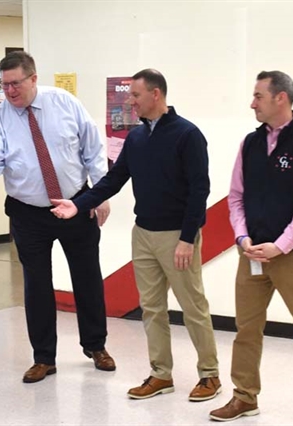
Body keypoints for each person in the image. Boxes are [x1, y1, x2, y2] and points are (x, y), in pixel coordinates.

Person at [51, 69, 221, 401]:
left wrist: (188, 237)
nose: (130, 101)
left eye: (136, 95)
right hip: (142, 233)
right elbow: (114, 179)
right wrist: (78, 204)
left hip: (177, 236)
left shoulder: (188, 135)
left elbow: (200, 190)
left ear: (156, 95)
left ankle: (210, 375)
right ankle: (161, 374)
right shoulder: (137, 138)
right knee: (152, 308)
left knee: (193, 306)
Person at [0, 51, 115, 383]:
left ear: (33, 78)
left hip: (76, 205)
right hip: (27, 212)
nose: (9, 92)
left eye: (15, 84)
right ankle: (44, 357)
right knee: (36, 285)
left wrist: (100, 194)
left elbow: (93, 149)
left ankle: (96, 346)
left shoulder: (64, 102)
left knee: (87, 277)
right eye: (3, 85)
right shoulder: (1, 117)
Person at [209, 71, 293, 426]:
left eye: (258, 96)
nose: (252, 103)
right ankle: (244, 397)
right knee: (246, 329)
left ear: (281, 98)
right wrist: (242, 237)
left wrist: (279, 247)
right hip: (251, 255)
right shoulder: (249, 144)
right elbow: (236, 197)